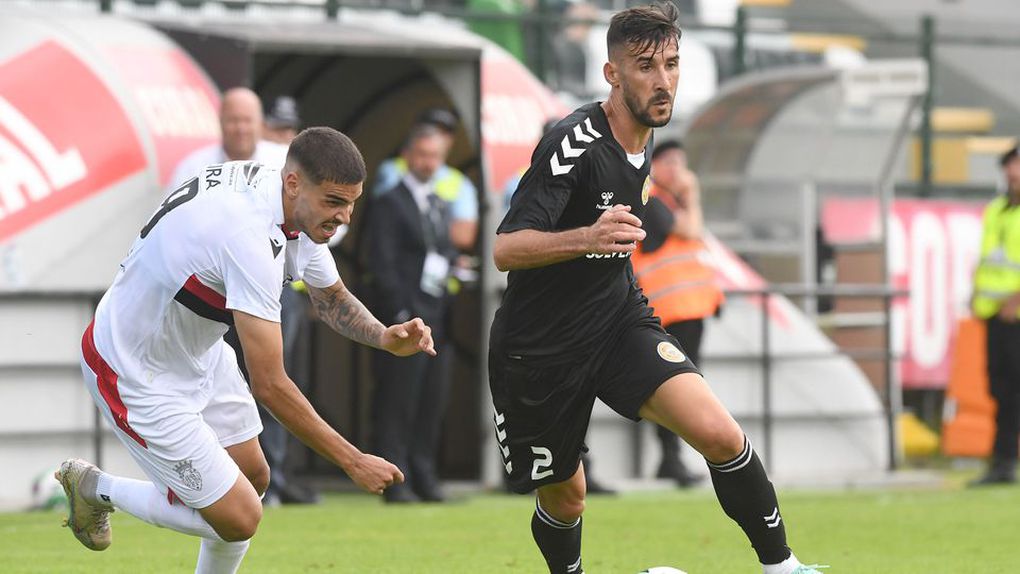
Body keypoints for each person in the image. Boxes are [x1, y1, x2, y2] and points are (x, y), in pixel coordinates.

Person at [488, 5, 824, 574]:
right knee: (566, 496)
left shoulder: (647, 146)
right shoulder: (572, 142)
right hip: (538, 349)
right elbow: (506, 248)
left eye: (671, 64)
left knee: (719, 432)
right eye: (645, 66)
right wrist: (587, 236)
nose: (662, 79)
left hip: (617, 322)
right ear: (612, 74)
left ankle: (784, 568)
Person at [55, 127, 435, 574]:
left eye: (352, 202)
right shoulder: (247, 235)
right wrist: (353, 460)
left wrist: (386, 337)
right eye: (335, 201)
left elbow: (329, 297)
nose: (346, 216)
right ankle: (93, 487)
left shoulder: (292, 208)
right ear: (293, 183)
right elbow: (271, 385)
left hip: (198, 351)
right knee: (240, 517)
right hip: (134, 366)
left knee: (253, 478)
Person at [365, 124, 459, 503]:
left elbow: (444, 252)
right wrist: (400, 313)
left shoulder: (439, 202)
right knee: (398, 401)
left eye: (435, 156)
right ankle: (394, 481)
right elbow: (381, 263)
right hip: (405, 320)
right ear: (407, 155)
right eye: (422, 155)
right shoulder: (389, 201)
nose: (428, 163)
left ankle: (425, 475)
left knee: (430, 400)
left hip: (436, 318)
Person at [631, 140, 720, 487]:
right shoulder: (650, 199)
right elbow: (690, 229)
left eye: (681, 163)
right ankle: (672, 459)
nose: (677, 171)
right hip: (666, 310)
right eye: (668, 162)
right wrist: (693, 195)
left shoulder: (669, 201)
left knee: (684, 386)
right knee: (672, 387)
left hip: (689, 309)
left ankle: (673, 458)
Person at [969, 142, 1020, 486]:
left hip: (1015, 314)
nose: (1012, 173)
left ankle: (1004, 461)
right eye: (1010, 166)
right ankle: (1002, 462)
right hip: (994, 315)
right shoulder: (996, 210)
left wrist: (1015, 299)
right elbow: (989, 260)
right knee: (1001, 389)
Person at [372, 107, 479, 252]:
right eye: (430, 127)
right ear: (415, 131)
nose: (437, 135)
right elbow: (385, 222)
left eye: (445, 132)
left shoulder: (461, 182)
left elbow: (463, 237)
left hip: (439, 268)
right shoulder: (392, 169)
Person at [167, 87, 287, 191]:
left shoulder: (283, 162)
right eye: (233, 120)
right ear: (220, 122)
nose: (241, 129)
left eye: (247, 120)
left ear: (261, 124)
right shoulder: (193, 168)